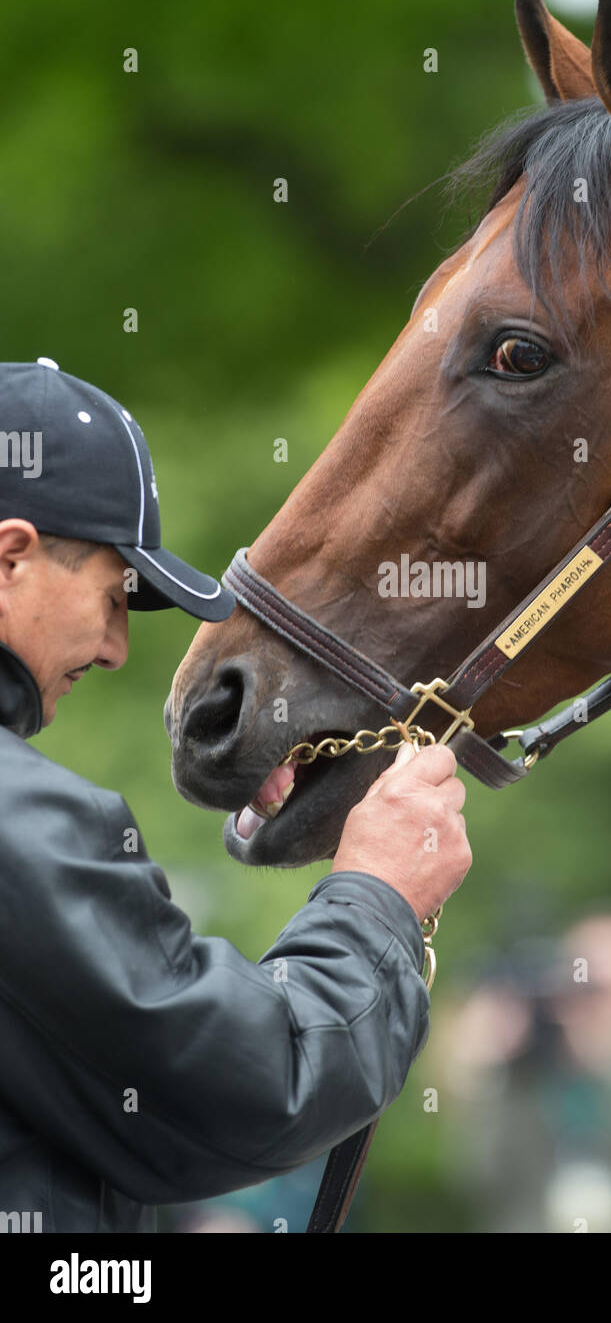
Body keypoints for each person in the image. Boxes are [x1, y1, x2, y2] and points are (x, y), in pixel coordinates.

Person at [0, 358, 471, 1233]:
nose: (114, 649)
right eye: (112, 598)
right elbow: (254, 1092)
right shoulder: (23, 820)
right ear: (11, 559)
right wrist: (376, 899)